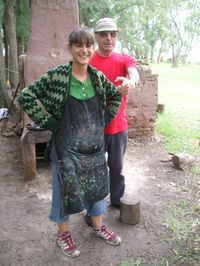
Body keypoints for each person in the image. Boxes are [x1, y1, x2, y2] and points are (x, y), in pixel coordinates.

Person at [17, 27, 122, 258]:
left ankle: (97, 227)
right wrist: (50, 123)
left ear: (92, 49)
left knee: (97, 188)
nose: (84, 50)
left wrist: (103, 119)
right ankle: (63, 234)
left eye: (88, 46)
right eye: (79, 46)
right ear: (70, 48)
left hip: (93, 148)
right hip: (65, 148)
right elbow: (26, 96)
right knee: (63, 191)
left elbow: (115, 95)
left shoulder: (97, 77)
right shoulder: (58, 76)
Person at [89, 18, 140, 208]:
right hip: (94, 128)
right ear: (97, 37)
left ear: (116, 37)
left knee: (116, 169)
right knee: (94, 169)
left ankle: (117, 200)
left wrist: (131, 82)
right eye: (103, 34)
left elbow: (133, 72)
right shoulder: (89, 60)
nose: (108, 38)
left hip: (118, 128)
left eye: (112, 34)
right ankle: (94, 209)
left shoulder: (123, 59)